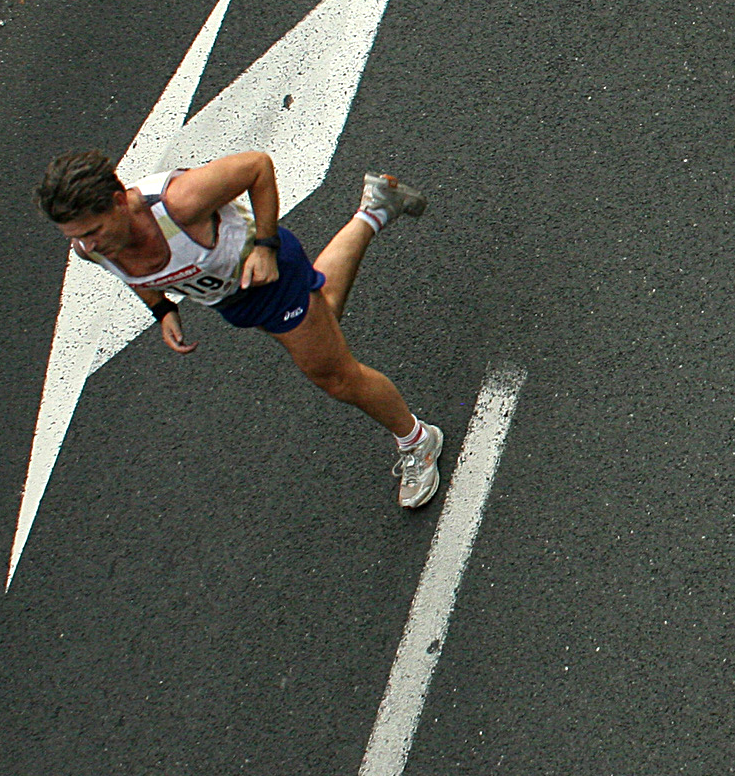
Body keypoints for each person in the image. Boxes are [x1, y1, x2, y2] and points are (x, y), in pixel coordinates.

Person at [36, 151, 446, 509]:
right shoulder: (91, 248)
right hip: (235, 300)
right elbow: (131, 271)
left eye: (92, 232)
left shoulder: (178, 203)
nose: (88, 245)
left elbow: (257, 167)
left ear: (118, 201)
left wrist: (266, 248)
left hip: (271, 277)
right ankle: (376, 208)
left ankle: (417, 440)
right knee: (325, 317)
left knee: (334, 376)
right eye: (76, 238)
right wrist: (162, 310)